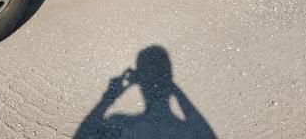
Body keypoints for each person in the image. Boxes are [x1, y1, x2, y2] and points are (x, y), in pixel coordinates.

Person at [74, 45, 217, 139]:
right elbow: (208, 132)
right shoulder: (185, 132)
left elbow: (82, 134)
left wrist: (108, 98)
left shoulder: (118, 123)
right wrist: (172, 86)